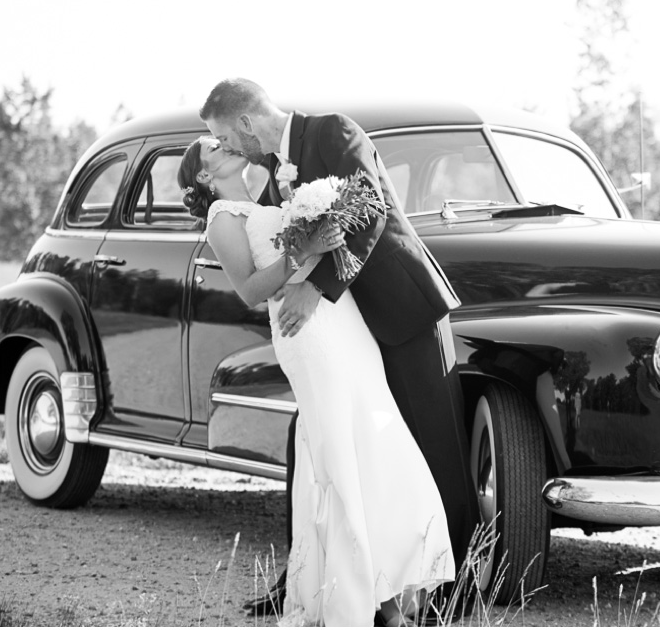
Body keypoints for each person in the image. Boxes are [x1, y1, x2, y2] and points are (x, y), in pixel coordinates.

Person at [199, 78, 479, 618]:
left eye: (226, 138)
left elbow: (368, 211)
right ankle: (313, 579)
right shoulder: (273, 176)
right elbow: (272, 241)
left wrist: (315, 287)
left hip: (401, 314)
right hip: (345, 333)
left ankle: (458, 590)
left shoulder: (333, 131)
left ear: (246, 123)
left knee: (431, 450)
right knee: (327, 449)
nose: (229, 149)